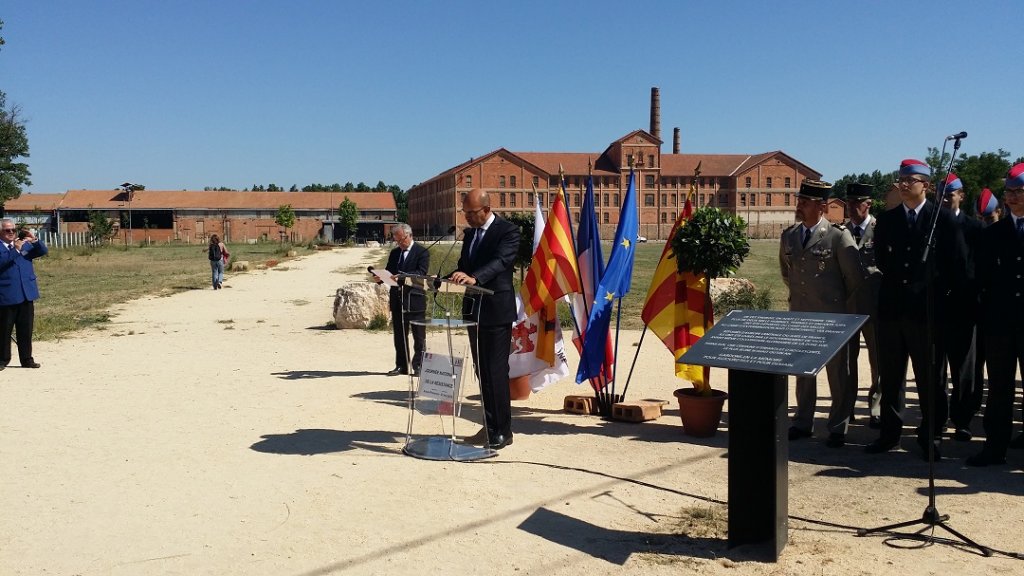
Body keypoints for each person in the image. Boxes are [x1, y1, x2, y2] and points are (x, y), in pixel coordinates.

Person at [865, 159, 967, 461]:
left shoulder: (943, 220)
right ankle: (889, 433)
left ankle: (930, 434)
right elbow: (883, 259)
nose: (904, 184)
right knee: (892, 376)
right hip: (893, 310)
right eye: (902, 179)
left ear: (927, 185)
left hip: (927, 311)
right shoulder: (888, 219)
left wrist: (938, 296)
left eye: (911, 179)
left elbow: (956, 265)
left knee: (929, 379)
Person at [779, 180, 864, 448]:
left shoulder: (838, 236)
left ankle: (838, 426)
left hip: (833, 317)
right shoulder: (789, 236)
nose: (799, 206)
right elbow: (786, 272)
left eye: (805, 202)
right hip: (801, 315)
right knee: (803, 373)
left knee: (838, 374)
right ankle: (803, 421)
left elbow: (854, 279)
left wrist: (836, 305)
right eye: (799, 201)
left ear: (822, 206)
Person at [449, 189, 521, 450]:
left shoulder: (508, 231)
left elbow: (501, 261)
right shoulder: (470, 236)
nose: (467, 217)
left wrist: (475, 278)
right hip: (473, 311)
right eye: (465, 212)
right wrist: (448, 278)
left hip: (495, 310)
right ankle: (489, 427)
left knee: (496, 371)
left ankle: (503, 431)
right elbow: (464, 266)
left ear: (487, 209)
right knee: (483, 373)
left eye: (471, 213)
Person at [967, 163, 1024, 466]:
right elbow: (983, 278)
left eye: (1018, 191)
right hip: (1000, 324)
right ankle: (995, 446)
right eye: (1009, 192)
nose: (1012, 197)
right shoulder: (994, 233)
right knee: (999, 389)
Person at [938, 173, 983, 442]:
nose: (945, 199)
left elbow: (979, 270)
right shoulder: (930, 226)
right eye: (941, 194)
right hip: (937, 306)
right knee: (936, 370)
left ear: (961, 196)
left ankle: (962, 419)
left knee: (964, 369)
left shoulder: (973, 228)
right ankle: (937, 419)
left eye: (950, 194)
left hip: (965, 308)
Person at [844, 183, 882, 429]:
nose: (851, 208)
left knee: (878, 359)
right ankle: (846, 408)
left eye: (856, 204)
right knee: (847, 361)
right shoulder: (841, 231)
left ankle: (876, 407)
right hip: (848, 306)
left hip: (875, 305)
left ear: (867, 204)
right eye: (848, 203)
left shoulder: (882, 229)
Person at [381, 223, 430, 376]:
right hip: (397, 299)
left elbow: (421, 272)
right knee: (399, 335)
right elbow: (389, 271)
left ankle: (419, 365)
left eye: (401, 240)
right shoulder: (395, 253)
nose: (399, 243)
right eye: (397, 240)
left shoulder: (422, 252)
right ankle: (401, 365)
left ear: (409, 235)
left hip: (415, 299)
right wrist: (380, 277)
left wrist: (402, 276)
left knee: (419, 336)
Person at [0, 219, 48, 370]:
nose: (12, 233)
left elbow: (42, 251)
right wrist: (16, 250)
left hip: (26, 294)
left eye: (13, 230)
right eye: (8, 230)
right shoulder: (7, 248)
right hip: (7, 294)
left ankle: (27, 359)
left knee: (25, 330)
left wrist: (34, 240)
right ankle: (2, 359)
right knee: (4, 330)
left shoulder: (24, 245)